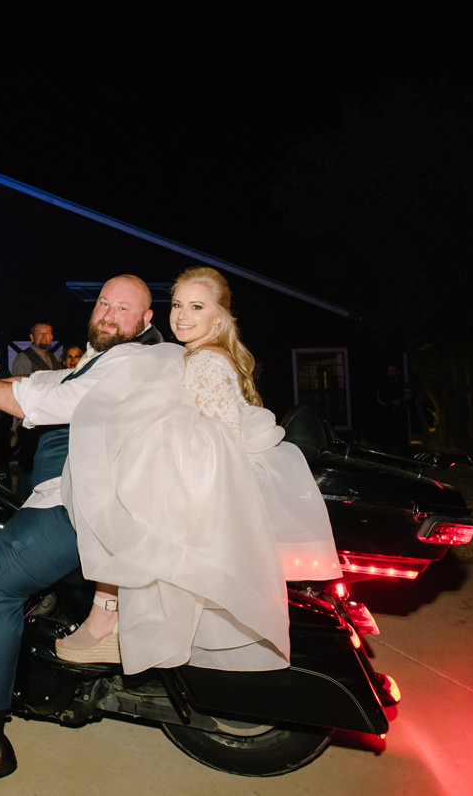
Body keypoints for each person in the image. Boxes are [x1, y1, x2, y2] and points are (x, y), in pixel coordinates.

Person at [0, 275, 160, 793]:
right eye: (104, 302)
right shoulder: (106, 356)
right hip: (77, 493)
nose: (110, 313)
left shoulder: (133, 361)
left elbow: (50, 404)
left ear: (146, 321)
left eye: (125, 307)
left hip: (81, 506)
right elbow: (51, 386)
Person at [57, 267, 340, 668]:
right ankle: (108, 616)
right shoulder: (199, 354)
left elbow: (217, 443)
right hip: (211, 474)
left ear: (219, 317)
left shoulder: (205, 363)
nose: (182, 315)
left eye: (196, 306)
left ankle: (106, 618)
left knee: (120, 507)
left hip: (211, 482)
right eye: (176, 305)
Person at [10, 322, 63, 497]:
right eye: (40, 334)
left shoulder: (53, 358)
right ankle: (23, 503)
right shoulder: (24, 357)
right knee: (28, 467)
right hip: (31, 424)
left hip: (48, 422)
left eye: (48, 334)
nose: (44, 337)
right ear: (32, 337)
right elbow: (21, 390)